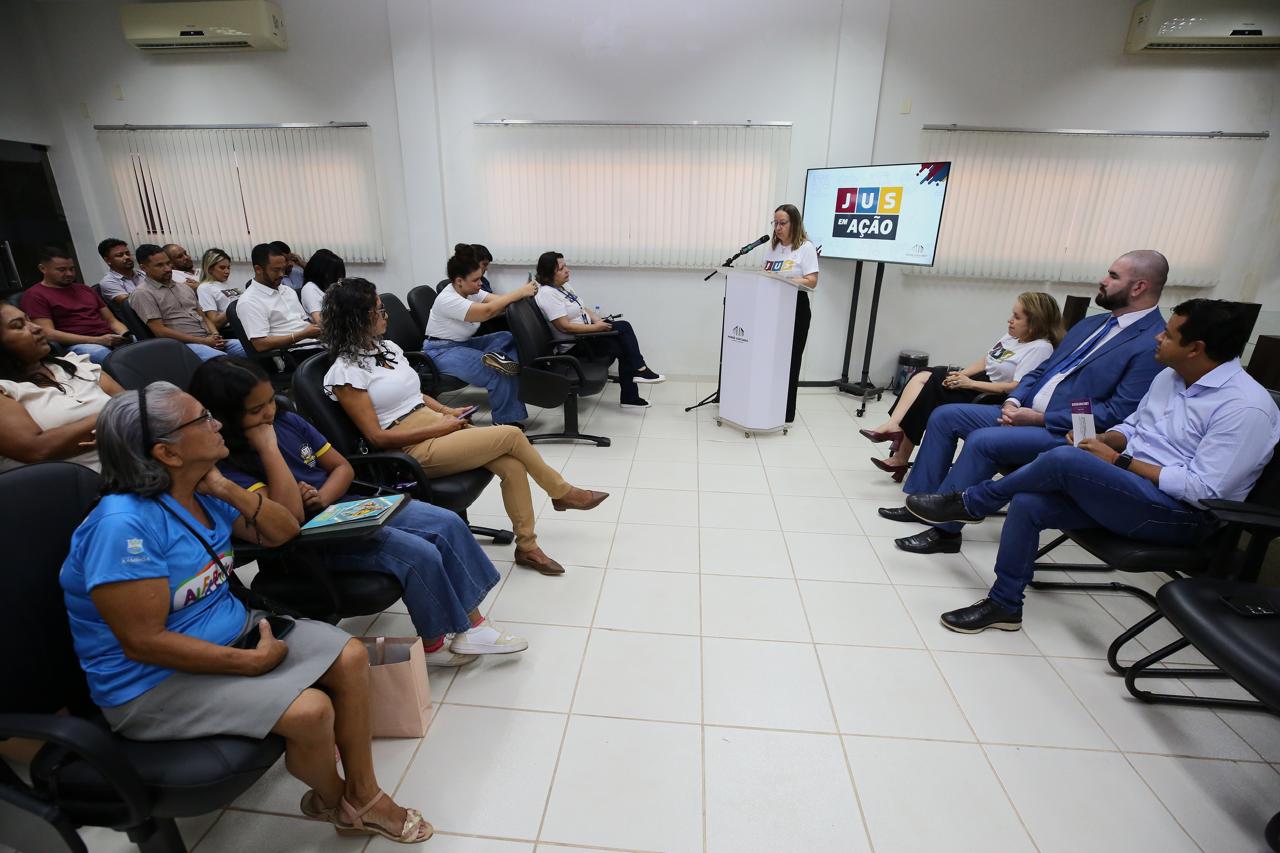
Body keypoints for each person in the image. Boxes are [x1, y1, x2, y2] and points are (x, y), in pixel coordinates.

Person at [60, 382, 433, 843]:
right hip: (151, 682)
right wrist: (247, 663)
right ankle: (339, 801)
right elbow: (144, 643)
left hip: (231, 632)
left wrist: (225, 488)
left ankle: (362, 793)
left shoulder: (202, 488)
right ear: (167, 453)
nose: (218, 424)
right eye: (203, 419)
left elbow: (283, 532)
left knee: (351, 655)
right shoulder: (123, 527)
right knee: (311, 711)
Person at [905, 300, 1280, 633]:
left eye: (1168, 334)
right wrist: (1104, 440)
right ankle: (1005, 604)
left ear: (1195, 349)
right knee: (1029, 503)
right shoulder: (1171, 376)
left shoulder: (1245, 407)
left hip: (1181, 516)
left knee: (1064, 460)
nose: (1158, 337)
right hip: (1129, 489)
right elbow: (1133, 427)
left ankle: (974, 502)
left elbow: (1204, 491)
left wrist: (1118, 460)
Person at [189, 356, 527, 666]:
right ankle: (435, 643)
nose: (269, 413)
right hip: (311, 540)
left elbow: (343, 468)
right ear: (225, 416)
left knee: (447, 522)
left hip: (342, 505)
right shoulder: (229, 463)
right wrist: (269, 449)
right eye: (256, 410)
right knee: (419, 552)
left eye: (269, 400)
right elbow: (290, 519)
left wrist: (322, 496)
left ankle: (474, 627)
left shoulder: (287, 420)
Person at [881, 250, 1169, 555]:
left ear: (1139, 287)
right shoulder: (1092, 325)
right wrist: (1014, 400)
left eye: (1113, 276)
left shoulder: (1152, 341)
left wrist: (1040, 419)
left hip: (1067, 432)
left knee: (983, 441)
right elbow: (1042, 370)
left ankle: (945, 531)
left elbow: (1117, 413)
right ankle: (922, 503)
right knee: (944, 415)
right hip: (1024, 412)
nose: (1103, 280)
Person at [323, 278, 608, 576]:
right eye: (379, 310)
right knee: (511, 434)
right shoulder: (346, 373)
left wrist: (447, 411)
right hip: (410, 448)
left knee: (512, 466)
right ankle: (562, 492)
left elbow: (414, 395)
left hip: (433, 424)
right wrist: (440, 427)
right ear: (356, 318)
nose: (386, 315)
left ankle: (528, 547)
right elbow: (377, 437)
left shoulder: (388, 348)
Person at [861, 292, 1062, 480]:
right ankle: (895, 432)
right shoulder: (1013, 336)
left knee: (929, 386)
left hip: (993, 395)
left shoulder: (1040, 348)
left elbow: (1016, 387)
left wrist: (971, 383)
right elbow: (987, 360)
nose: (1010, 320)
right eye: (1012, 314)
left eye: (1017, 317)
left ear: (1035, 323)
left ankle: (898, 448)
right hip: (979, 381)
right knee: (924, 375)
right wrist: (962, 375)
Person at [0, 302, 124, 473]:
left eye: (29, 320)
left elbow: (132, 405)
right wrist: (110, 418)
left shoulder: (75, 364)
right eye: (18, 326)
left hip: (136, 461)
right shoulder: (4, 390)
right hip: (83, 483)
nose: (36, 328)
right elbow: (38, 450)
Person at [533, 250, 665, 409]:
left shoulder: (563, 286)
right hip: (575, 345)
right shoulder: (547, 294)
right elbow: (564, 327)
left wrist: (597, 319)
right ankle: (636, 380)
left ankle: (635, 383)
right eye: (561, 269)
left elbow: (581, 308)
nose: (567, 270)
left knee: (624, 333)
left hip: (587, 334)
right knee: (623, 337)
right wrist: (595, 327)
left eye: (565, 266)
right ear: (549, 274)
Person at [423, 246, 535, 426]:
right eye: (475, 280)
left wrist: (521, 296)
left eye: (480, 278)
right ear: (459, 281)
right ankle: (504, 422)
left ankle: (507, 363)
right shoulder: (448, 299)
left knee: (506, 337)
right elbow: (487, 311)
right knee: (496, 372)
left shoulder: (471, 291)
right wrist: (520, 292)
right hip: (441, 351)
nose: (480, 283)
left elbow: (499, 301)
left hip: (463, 343)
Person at [129, 244, 246, 361]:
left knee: (250, 348)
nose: (168, 269)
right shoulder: (142, 293)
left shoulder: (184, 287)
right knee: (225, 363)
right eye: (160, 265)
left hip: (208, 339)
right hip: (183, 345)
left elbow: (203, 317)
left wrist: (215, 335)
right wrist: (203, 341)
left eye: (168, 263)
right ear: (144, 268)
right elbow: (160, 331)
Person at [20, 245, 130, 364]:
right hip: (78, 344)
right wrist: (97, 340)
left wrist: (125, 335)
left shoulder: (85, 289)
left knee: (139, 345)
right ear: (43, 269)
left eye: (72, 269)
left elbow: (111, 321)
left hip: (109, 338)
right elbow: (48, 333)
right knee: (105, 356)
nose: (69, 274)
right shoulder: (35, 295)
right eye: (62, 270)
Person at [763, 204, 819, 424]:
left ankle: (785, 413)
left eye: (782, 223)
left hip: (796, 308)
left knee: (791, 361)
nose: (777, 227)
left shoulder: (805, 248)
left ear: (794, 223)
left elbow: (812, 281)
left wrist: (785, 279)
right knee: (771, 359)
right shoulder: (773, 247)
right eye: (775, 223)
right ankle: (767, 404)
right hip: (771, 308)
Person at [237, 243, 324, 355]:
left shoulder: (287, 291)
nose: (281, 274)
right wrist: (302, 335)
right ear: (258, 269)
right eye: (276, 270)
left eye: (283, 269)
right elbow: (260, 344)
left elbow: (303, 322)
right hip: (291, 353)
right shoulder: (249, 301)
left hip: (313, 344)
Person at [195, 247, 242, 331]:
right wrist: (238, 306)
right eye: (222, 268)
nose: (227, 271)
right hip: (233, 329)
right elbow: (215, 322)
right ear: (210, 269)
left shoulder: (229, 283)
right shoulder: (205, 288)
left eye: (228, 267)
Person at [300, 249, 346, 324]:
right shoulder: (310, 289)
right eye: (335, 273)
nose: (338, 278)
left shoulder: (330, 288)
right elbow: (320, 321)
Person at [96, 238, 146, 304]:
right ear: (108, 260)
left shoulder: (142, 273)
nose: (127, 257)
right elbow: (131, 303)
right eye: (120, 255)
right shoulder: (108, 282)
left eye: (128, 253)